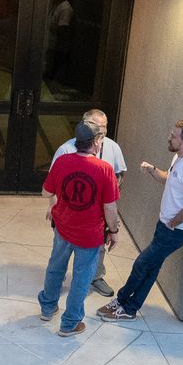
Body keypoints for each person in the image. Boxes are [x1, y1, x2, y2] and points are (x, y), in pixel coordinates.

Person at [98, 119, 183, 323]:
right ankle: (129, 307)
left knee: (142, 264)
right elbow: (169, 178)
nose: (169, 137)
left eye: (174, 135)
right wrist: (152, 170)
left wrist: (172, 223)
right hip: (165, 224)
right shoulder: (179, 158)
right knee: (151, 267)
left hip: (175, 230)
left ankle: (122, 302)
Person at [37, 120, 121, 336]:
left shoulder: (63, 161)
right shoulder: (104, 169)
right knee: (81, 278)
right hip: (89, 235)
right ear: (95, 142)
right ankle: (70, 323)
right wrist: (114, 231)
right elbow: (110, 208)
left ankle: (47, 308)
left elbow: (46, 193)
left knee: (55, 267)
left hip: (63, 227)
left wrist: (61, 197)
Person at [50, 110, 128, 297]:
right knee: (61, 253)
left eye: (104, 127)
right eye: (97, 127)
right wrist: (53, 208)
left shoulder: (113, 147)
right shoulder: (66, 150)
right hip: (68, 215)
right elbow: (51, 184)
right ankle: (56, 282)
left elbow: (120, 173)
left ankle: (96, 276)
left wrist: (110, 191)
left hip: (96, 217)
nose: (102, 132)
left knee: (97, 251)